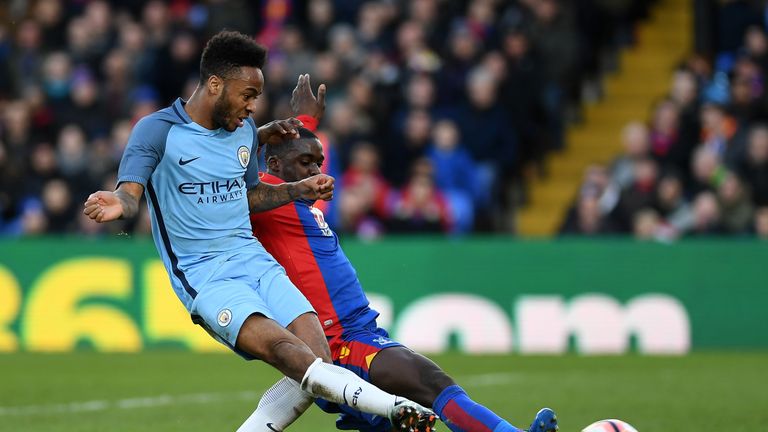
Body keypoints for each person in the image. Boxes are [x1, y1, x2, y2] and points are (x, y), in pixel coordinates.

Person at [82, 31, 435, 432]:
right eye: (247, 95)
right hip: (206, 275)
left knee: (317, 363)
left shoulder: (244, 133)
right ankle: (394, 410)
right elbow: (130, 194)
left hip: (255, 261)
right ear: (215, 85)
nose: (252, 107)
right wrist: (121, 203)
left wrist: (296, 190)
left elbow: (247, 197)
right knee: (288, 352)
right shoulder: (157, 130)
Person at [242, 74, 558, 432]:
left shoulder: (295, 194)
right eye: (307, 165)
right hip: (337, 341)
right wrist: (286, 128)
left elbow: (293, 153)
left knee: (408, 413)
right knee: (430, 381)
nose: (316, 172)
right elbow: (226, 158)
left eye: (319, 163)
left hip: (360, 329)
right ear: (272, 168)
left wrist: (304, 123)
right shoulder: (265, 197)